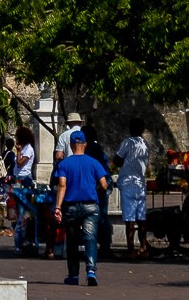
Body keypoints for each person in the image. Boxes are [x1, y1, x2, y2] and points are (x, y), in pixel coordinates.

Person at [52, 129, 109, 286]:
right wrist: (92, 189)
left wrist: (58, 207)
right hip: (90, 205)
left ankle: (73, 274)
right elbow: (104, 185)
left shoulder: (64, 164)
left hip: (70, 207)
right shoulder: (93, 163)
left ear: (71, 145)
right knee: (90, 238)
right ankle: (91, 271)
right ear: (85, 144)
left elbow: (62, 184)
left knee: (72, 241)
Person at [115, 120, 150, 259]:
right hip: (140, 183)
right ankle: (143, 247)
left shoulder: (128, 142)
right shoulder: (145, 144)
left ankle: (131, 249)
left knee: (129, 219)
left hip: (128, 182)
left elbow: (117, 160)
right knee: (141, 217)